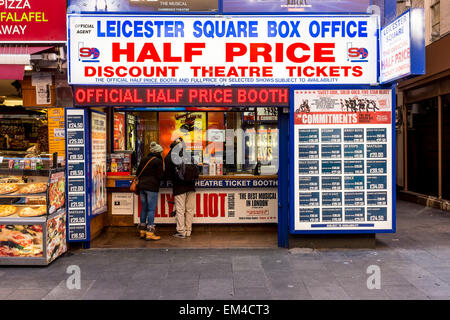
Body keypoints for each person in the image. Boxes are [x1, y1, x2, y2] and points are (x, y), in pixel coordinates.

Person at [164, 137, 198, 239]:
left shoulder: (169, 157)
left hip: (179, 186)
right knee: (190, 209)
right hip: (191, 186)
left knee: (180, 209)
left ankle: (181, 231)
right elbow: (197, 169)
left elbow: (167, 175)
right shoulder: (188, 155)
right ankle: (188, 230)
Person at [136, 142, 164, 241]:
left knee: (144, 208)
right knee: (151, 210)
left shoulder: (144, 159)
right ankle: (150, 232)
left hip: (142, 187)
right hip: (152, 188)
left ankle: (142, 231)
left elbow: (137, 172)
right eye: (161, 152)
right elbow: (160, 176)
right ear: (158, 152)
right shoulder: (158, 161)